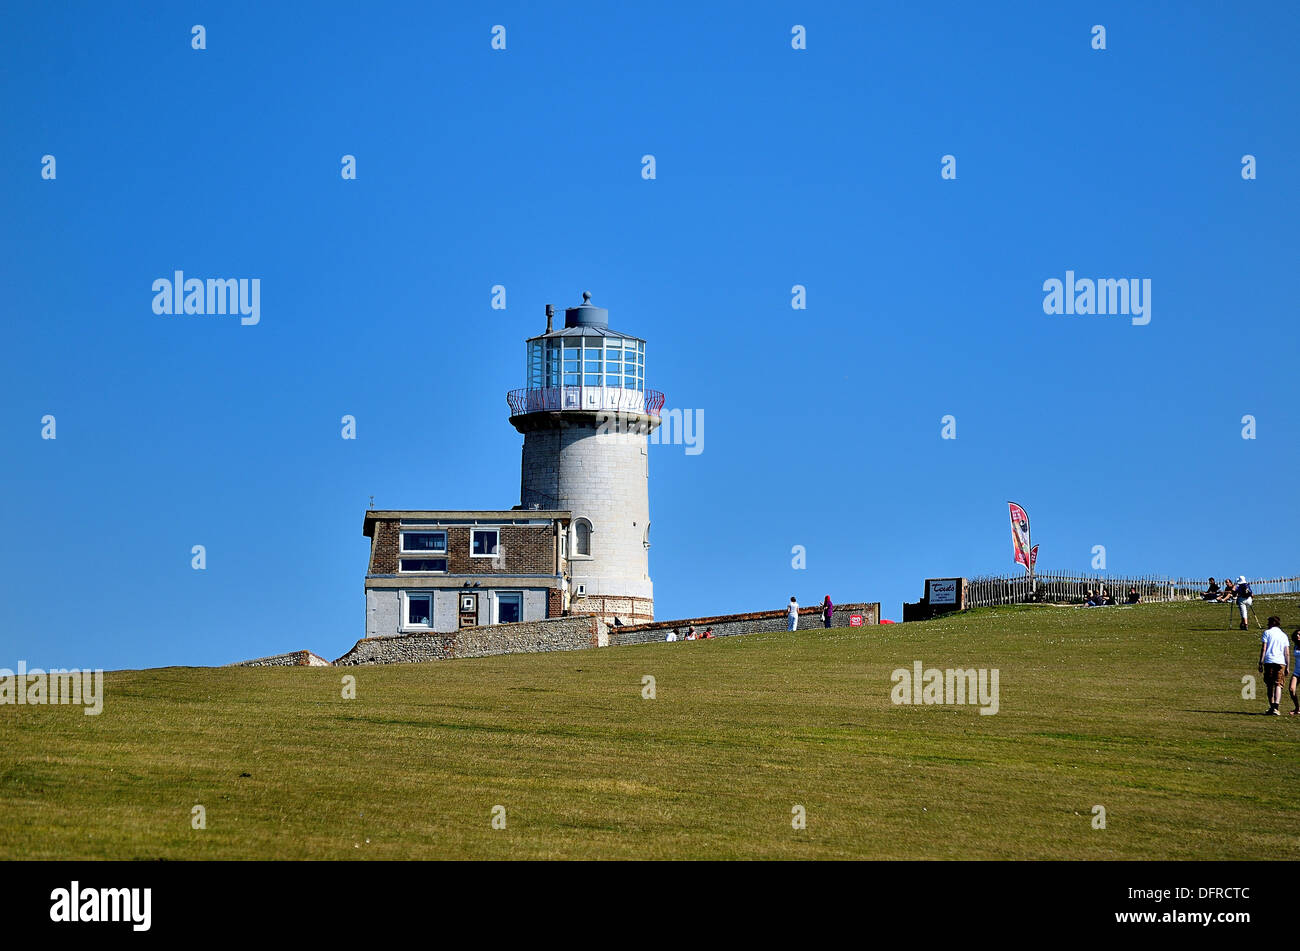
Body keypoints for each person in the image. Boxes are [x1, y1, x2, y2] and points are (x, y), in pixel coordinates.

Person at [1258, 616, 1290, 715]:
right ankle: (1276, 706)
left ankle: (1272, 706)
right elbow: (1287, 652)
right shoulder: (1284, 635)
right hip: (1280, 661)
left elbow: (1264, 648)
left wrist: (1260, 662)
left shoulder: (1267, 633)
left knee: (1269, 684)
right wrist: (1288, 666)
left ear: (1271, 623)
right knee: (1278, 684)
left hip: (1269, 661)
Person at [1290, 630, 1300, 716]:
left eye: (1299, 634)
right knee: (1292, 689)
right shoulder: (1296, 646)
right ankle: (1297, 708)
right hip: (1297, 672)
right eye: (1297, 634)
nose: (1298, 635)